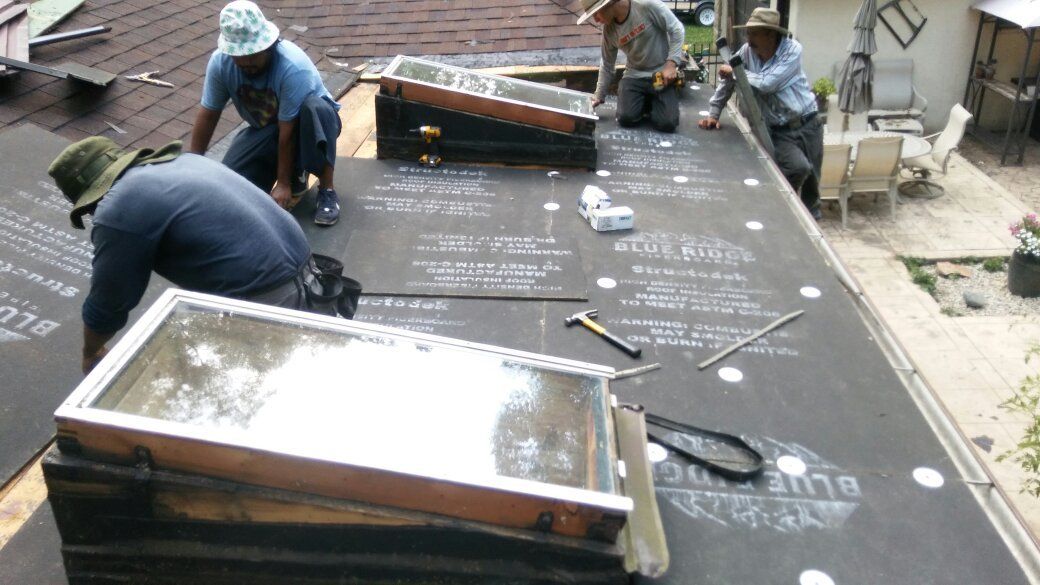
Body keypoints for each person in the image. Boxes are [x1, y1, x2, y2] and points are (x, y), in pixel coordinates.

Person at [48, 136, 328, 374]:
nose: (94, 214)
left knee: (182, 375)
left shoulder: (120, 204)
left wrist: (91, 353)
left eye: (89, 209)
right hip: (315, 279)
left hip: (268, 301)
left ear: (93, 196)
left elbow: (109, 301)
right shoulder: (183, 162)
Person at [189, 0, 343, 226]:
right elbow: (209, 114)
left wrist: (282, 183)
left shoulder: (292, 66)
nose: (246, 61)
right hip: (268, 131)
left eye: (252, 54)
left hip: (312, 129)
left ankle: (327, 190)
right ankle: (296, 175)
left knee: (315, 108)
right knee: (231, 187)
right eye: (239, 55)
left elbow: (287, 132)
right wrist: (192, 166)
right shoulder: (220, 64)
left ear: (268, 46)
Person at [699, 8, 824, 220]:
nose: (749, 39)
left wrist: (737, 72)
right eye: (748, 33)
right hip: (780, 130)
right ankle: (782, 212)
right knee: (797, 168)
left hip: (809, 122)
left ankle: (810, 219)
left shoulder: (792, 50)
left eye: (754, 33)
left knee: (812, 187)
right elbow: (727, 83)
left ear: (770, 34)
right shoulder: (747, 52)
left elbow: (767, 83)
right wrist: (714, 113)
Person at [578, 0, 685, 133]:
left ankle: (655, 100)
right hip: (634, 74)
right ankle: (646, 101)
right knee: (626, 118)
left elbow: (677, 29)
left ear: (608, 4)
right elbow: (607, 64)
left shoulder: (646, 5)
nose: (596, 20)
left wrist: (671, 65)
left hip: (660, 73)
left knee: (667, 123)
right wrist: (599, 95)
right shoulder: (609, 31)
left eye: (596, 13)